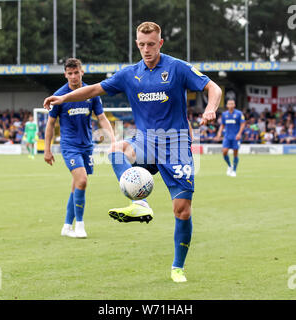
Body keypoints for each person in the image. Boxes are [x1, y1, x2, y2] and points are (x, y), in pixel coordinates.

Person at [43, 22, 222, 282]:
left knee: (182, 210)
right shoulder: (129, 74)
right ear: (136, 44)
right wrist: (62, 99)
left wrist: (211, 108)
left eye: (151, 44)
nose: (146, 49)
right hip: (146, 143)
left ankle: (177, 267)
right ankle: (139, 202)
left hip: (176, 145)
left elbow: (212, 87)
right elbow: (93, 89)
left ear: (160, 43)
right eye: (141, 44)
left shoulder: (177, 68)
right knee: (116, 149)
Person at [44, 58, 115, 238]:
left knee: (77, 185)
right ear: (65, 74)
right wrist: (47, 149)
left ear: (82, 72)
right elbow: (50, 124)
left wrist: (113, 140)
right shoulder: (60, 95)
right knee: (82, 180)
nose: (74, 77)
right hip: (69, 146)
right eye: (70, 74)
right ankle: (80, 226)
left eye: (76, 73)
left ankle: (67, 226)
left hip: (86, 146)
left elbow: (101, 118)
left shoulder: (91, 93)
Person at [215, 99, 246, 177]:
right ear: (227, 105)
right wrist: (219, 133)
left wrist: (239, 134)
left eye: (232, 104)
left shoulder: (239, 113)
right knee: (224, 151)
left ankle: (234, 171)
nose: (231, 105)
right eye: (229, 104)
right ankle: (229, 165)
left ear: (234, 105)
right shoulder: (224, 114)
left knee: (235, 153)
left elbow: (243, 124)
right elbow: (222, 125)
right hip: (227, 136)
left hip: (236, 137)